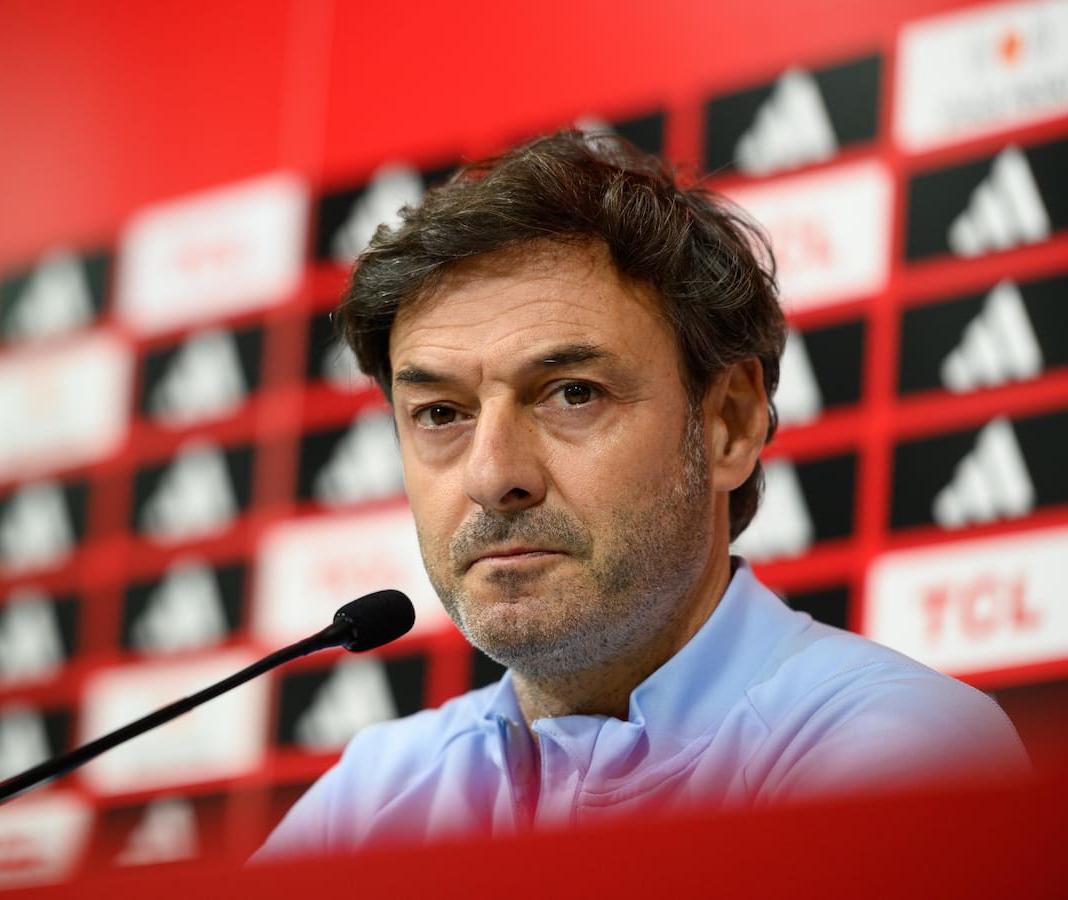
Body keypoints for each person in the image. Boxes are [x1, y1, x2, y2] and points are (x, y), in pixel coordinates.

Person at [255, 130, 1028, 858]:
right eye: (440, 414)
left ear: (729, 424)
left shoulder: (897, 745)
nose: (492, 477)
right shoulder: (369, 799)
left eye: (573, 394)